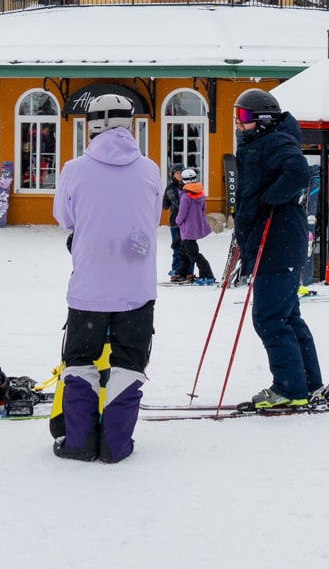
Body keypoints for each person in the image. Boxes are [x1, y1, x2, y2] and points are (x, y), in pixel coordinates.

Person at [51, 93, 162, 462]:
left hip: (88, 290)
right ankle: (115, 445)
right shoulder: (150, 169)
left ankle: (79, 442)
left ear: (91, 125)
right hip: (137, 289)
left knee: (81, 361)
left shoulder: (73, 169)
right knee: (129, 364)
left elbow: (64, 219)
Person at [233, 89, 329, 410]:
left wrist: (270, 198)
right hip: (278, 240)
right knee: (287, 317)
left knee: (269, 319)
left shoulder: (276, 141)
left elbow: (300, 172)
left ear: (262, 120)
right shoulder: (265, 141)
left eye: (245, 117)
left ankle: (290, 388)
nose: (239, 123)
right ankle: (308, 383)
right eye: (238, 116)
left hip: (276, 241)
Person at [172, 168, 216, 285]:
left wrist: (178, 221)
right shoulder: (200, 194)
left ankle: (207, 275)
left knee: (193, 253)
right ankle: (181, 273)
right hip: (196, 227)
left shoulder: (186, 196)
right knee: (184, 251)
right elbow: (203, 209)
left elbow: (182, 213)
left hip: (187, 229)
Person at [162, 163, 184, 276]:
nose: (179, 175)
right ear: (173, 175)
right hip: (175, 222)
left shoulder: (187, 186)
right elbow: (165, 206)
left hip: (186, 223)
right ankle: (175, 269)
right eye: (177, 173)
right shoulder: (170, 187)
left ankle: (187, 271)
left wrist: (178, 200)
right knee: (176, 247)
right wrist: (169, 198)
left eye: (181, 173)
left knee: (187, 247)